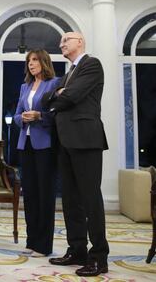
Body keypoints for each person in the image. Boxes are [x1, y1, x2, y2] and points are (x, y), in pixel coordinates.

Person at [42, 32, 109, 277]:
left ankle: (99, 257)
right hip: (65, 141)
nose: (61, 44)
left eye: (66, 40)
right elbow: (47, 98)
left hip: (86, 140)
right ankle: (77, 249)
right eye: (60, 41)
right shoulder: (67, 73)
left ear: (79, 42)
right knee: (70, 200)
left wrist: (60, 95)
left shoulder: (91, 64)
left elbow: (71, 96)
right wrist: (57, 95)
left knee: (91, 200)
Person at [13, 49, 60, 257]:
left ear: (44, 62)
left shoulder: (55, 83)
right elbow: (15, 115)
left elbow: (58, 114)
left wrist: (39, 116)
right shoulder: (25, 86)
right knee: (30, 194)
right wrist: (22, 118)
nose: (31, 64)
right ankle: (31, 241)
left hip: (45, 145)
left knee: (45, 195)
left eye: (34, 60)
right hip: (26, 144)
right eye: (28, 61)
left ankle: (43, 245)